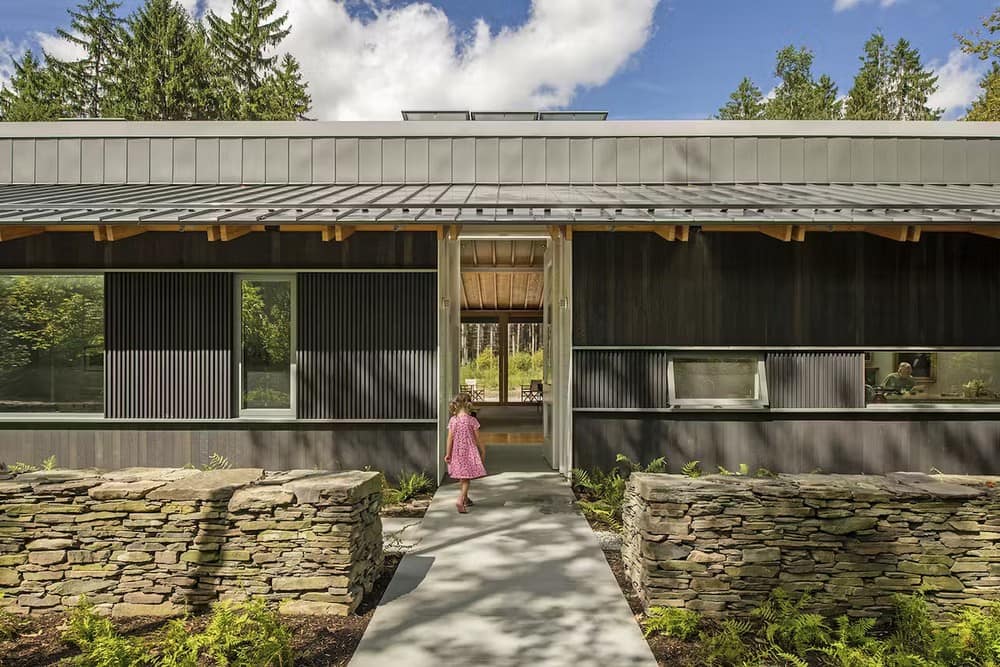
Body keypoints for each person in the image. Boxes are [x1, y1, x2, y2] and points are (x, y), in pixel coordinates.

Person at [445, 392, 487, 514]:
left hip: (457, 452)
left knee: (463, 477)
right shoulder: (472, 420)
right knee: (466, 479)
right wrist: (483, 449)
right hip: (469, 452)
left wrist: (448, 453)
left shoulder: (453, 420)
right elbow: (478, 438)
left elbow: (450, 438)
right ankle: (460, 499)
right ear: (469, 405)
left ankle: (466, 499)